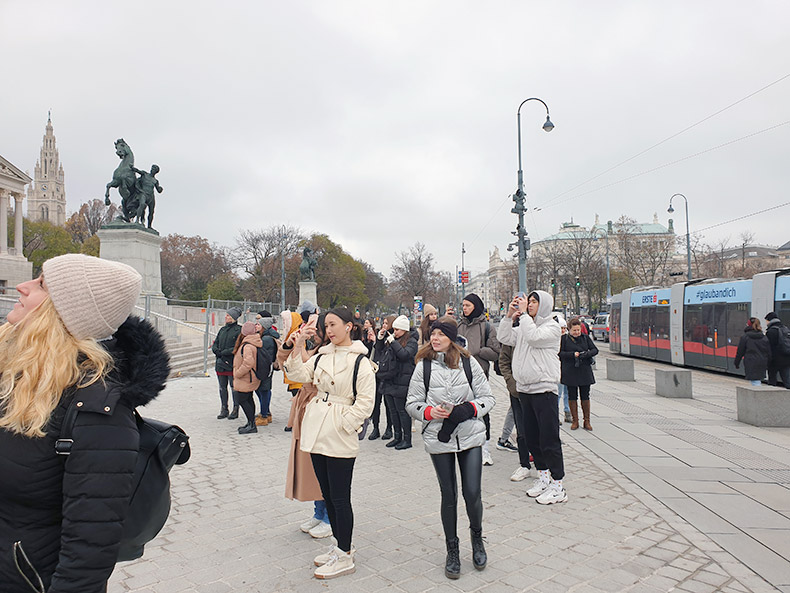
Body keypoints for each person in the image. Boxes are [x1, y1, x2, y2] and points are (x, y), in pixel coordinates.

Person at [0, 253, 170, 592]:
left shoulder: (99, 411)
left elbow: (88, 551)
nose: (22, 286)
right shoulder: (15, 375)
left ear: (65, 313)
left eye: (41, 284)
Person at [283, 307, 376, 579]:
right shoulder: (323, 355)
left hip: (338, 432)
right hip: (316, 429)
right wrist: (299, 343)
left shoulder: (360, 361)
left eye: (334, 324)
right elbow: (299, 375)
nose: (330, 330)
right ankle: (339, 545)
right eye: (327, 325)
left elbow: (365, 403)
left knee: (339, 497)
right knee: (327, 493)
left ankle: (345, 554)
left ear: (349, 326)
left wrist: (344, 424)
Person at [406, 316, 495, 580]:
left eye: (441, 334)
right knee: (449, 495)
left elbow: (488, 398)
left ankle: (477, 539)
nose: (435, 338)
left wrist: (469, 409)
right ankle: (452, 549)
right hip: (439, 438)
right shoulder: (423, 366)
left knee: (472, 492)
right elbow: (412, 403)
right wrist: (430, 412)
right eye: (433, 334)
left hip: (469, 435)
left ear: (452, 338)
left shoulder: (469, 363)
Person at [497, 291, 566, 505]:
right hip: (525, 389)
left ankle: (558, 485)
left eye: (534, 302)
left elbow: (535, 338)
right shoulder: (526, 325)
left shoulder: (552, 326)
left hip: (544, 389)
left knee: (549, 439)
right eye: (530, 302)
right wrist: (510, 316)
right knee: (532, 438)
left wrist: (524, 314)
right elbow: (505, 338)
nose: (531, 305)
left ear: (543, 305)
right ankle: (543, 477)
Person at [278, 314, 333, 540]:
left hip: (320, 410)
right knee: (310, 466)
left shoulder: (329, 352)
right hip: (305, 409)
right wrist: (293, 343)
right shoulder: (311, 347)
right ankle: (318, 512)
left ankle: (329, 517)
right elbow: (285, 364)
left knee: (323, 465)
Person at [457, 293, 500, 466]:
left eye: (468, 305)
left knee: (482, 412)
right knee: (461, 411)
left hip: (479, 375)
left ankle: (485, 449)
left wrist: (477, 351)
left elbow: (496, 353)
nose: (464, 308)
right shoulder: (458, 325)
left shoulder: (487, 327)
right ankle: (464, 447)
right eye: (463, 305)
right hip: (459, 376)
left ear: (475, 306)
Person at [498, 314, 533, 482]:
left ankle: (542, 463)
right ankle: (524, 464)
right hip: (516, 390)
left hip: (535, 389)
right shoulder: (511, 339)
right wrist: (511, 383)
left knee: (538, 428)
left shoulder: (537, 335)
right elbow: (503, 361)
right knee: (521, 429)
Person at [378, 315, 419, 450]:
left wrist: (393, 342)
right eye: (394, 329)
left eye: (397, 330)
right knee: (392, 411)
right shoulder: (392, 340)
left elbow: (404, 355)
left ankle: (407, 439)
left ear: (404, 330)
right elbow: (380, 354)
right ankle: (397, 437)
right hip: (390, 379)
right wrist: (380, 339)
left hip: (403, 380)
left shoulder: (412, 341)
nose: (395, 332)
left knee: (402, 411)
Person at [559, 317, 599, 431]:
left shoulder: (585, 338)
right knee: (572, 395)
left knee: (585, 395)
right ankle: (575, 420)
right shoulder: (564, 339)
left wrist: (585, 354)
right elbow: (560, 354)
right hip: (570, 370)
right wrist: (573, 354)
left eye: (578, 330)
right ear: (569, 330)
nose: (576, 333)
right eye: (574, 330)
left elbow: (595, 350)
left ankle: (587, 421)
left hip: (584, 370)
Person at [369, 314, 396, 441]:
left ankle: (389, 428)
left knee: (388, 403)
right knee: (376, 402)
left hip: (388, 373)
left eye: (386, 323)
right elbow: (378, 350)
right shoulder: (382, 336)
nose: (384, 325)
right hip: (377, 372)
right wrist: (379, 338)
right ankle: (375, 427)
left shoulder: (395, 338)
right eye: (383, 323)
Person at [232, 322, 262, 434]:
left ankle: (252, 424)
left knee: (242, 399)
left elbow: (248, 363)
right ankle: (250, 422)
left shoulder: (248, 345)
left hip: (245, 377)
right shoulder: (251, 342)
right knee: (248, 399)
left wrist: (238, 373)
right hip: (248, 377)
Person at [212, 306, 242, 419]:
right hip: (220, 362)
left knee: (234, 387)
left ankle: (235, 408)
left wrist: (225, 352)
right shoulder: (222, 330)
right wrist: (216, 350)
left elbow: (237, 346)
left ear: (234, 317)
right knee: (222, 387)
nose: (226, 317)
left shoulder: (239, 330)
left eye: (228, 315)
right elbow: (216, 342)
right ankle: (224, 408)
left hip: (231, 363)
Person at [254, 313, 280, 426]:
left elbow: (264, 354)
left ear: (264, 326)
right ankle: (265, 411)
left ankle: (264, 415)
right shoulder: (265, 336)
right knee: (261, 389)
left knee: (264, 390)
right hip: (265, 367)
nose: (256, 325)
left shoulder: (266, 339)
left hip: (265, 368)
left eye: (259, 324)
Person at [735, 318, 771, 386]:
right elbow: (768, 351)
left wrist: (737, 363)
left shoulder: (745, 337)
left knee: (755, 381)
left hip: (750, 361)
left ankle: (758, 396)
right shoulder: (764, 337)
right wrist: (768, 363)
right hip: (762, 361)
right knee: (757, 380)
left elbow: (740, 351)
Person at [765, 312, 790, 388]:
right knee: (787, 380)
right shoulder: (785, 328)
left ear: (769, 320)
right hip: (786, 359)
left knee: (772, 381)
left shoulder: (771, 331)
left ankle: (772, 397)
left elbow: (769, 347)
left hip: (774, 360)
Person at [557, 318, 572, 424]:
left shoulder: (568, 339)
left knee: (568, 392)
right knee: (558, 393)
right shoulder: (554, 339)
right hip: (558, 369)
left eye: (564, 328)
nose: (563, 330)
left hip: (567, 369)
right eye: (561, 328)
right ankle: (556, 414)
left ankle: (567, 412)